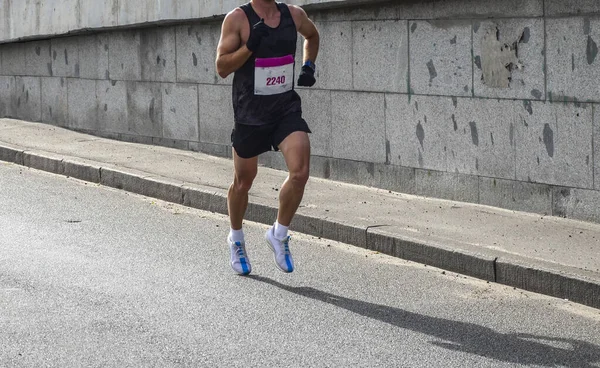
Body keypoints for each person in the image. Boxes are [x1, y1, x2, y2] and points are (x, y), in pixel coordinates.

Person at [215, 0, 320, 275]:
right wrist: (249, 47)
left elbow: (312, 35)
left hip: (285, 109)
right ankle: (236, 238)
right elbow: (222, 67)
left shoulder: (293, 14)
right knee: (243, 182)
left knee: (300, 172)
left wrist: (309, 65)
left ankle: (279, 233)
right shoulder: (237, 19)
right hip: (250, 114)